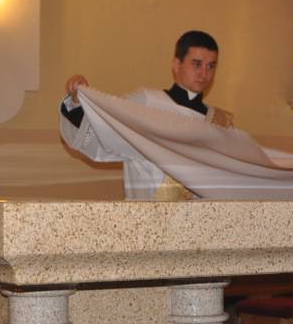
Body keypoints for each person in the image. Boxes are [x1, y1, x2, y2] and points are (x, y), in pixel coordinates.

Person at [59, 30, 233, 199]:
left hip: (204, 216)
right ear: (176, 65)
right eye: (197, 64)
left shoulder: (220, 122)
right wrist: (78, 101)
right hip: (148, 213)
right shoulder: (146, 102)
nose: (204, 74)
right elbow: (102, 125)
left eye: (211, 66)